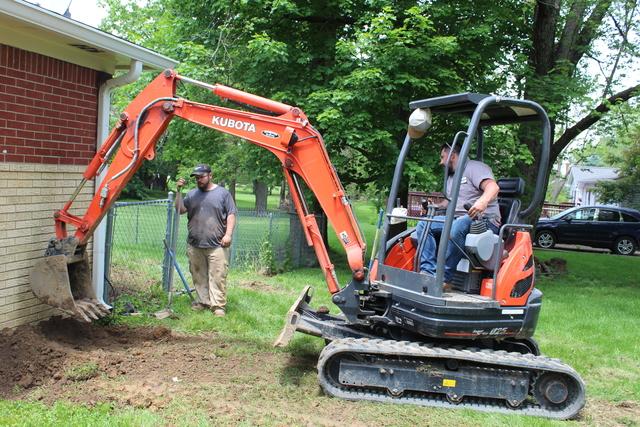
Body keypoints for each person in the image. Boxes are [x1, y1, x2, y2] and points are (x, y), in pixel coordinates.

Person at [414, 143, 501, 291]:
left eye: (442, 157)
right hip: (458, 219)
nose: (441, 162)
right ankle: (428, 273)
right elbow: (450, 203)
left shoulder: (475, 168)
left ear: (452, 155)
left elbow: (493, 187)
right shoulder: (452, 177)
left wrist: (482, 202)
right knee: (424, 224)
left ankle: (444, 278)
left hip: (484, 221)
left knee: (457, 225)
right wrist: (434, 206)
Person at [176, 164, 237, 316]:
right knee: (198, 274)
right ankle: (203, 301)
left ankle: (218, 306)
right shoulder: (191, 195)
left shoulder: (223, 194)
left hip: (217, 244)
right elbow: (180, 210)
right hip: (195, 244)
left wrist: (228, 234)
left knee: (217, 276)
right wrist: (178, 191)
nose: (199, 180)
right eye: (196, 178)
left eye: (201, 177)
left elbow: (231, 214)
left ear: (210, 175)